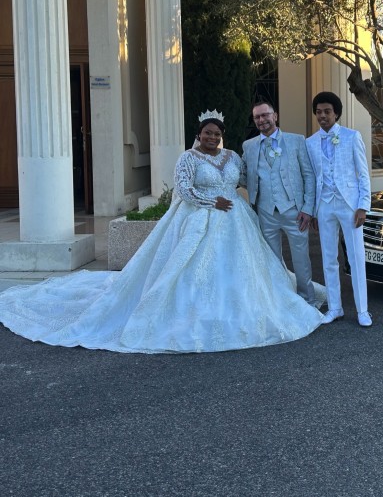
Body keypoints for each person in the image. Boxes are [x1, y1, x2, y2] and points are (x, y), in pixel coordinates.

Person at [0, 112, 324, 353]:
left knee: (247, 269)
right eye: (207, 133)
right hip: (199, 218)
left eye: (216, 133)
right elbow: (183, 191)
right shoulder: (187, 158)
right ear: (199, 134)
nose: (212, 137)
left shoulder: (233, 156)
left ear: (222, 136)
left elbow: (246, 179)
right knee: (189, 270)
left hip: (238, 221)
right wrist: (214, 201)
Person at [241, 100, 318, 307]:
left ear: (275, 116)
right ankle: (281, 301)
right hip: (265, 211)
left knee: (301, 258)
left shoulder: (296, 141)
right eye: (257, 117)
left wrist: (308, 209)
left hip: (295, 210)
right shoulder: (248, 146)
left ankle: (307, 300)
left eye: (265, 115)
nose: (261, 120)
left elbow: (309, 176)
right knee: (272, 260)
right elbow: (243, 175)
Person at [305, 92, 373, 327]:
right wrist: (313, 210)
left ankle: (363, 309)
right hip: (324, 205)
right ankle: (335, 307)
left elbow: (363, 174)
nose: (322, 116)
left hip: (349, 205)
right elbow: (313, 178)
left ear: (336, 113)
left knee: (355, 257)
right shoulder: (310, 142)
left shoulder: (352, 137)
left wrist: (363, 205)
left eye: (327, 111)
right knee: (328, 258)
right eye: (319, 112)